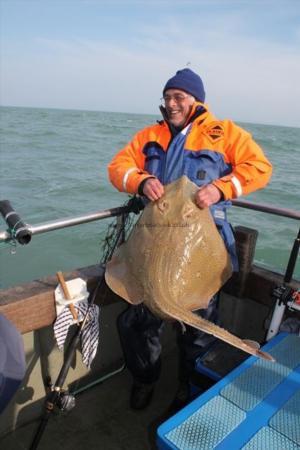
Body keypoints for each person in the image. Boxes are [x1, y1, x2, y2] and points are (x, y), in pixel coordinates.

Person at [107, 68, 272, 410]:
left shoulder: (222, 133)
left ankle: (188, 389)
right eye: (167, 97)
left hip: (199, 243)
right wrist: (139, 181)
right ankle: (145, 378)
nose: (171, 104)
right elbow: (117, 167)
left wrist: (221, 188)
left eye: (179, 97)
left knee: (197, 329)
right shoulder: (149, 136)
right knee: (137, 321)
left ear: (196, 100)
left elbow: (260, 167)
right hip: (154, 243)